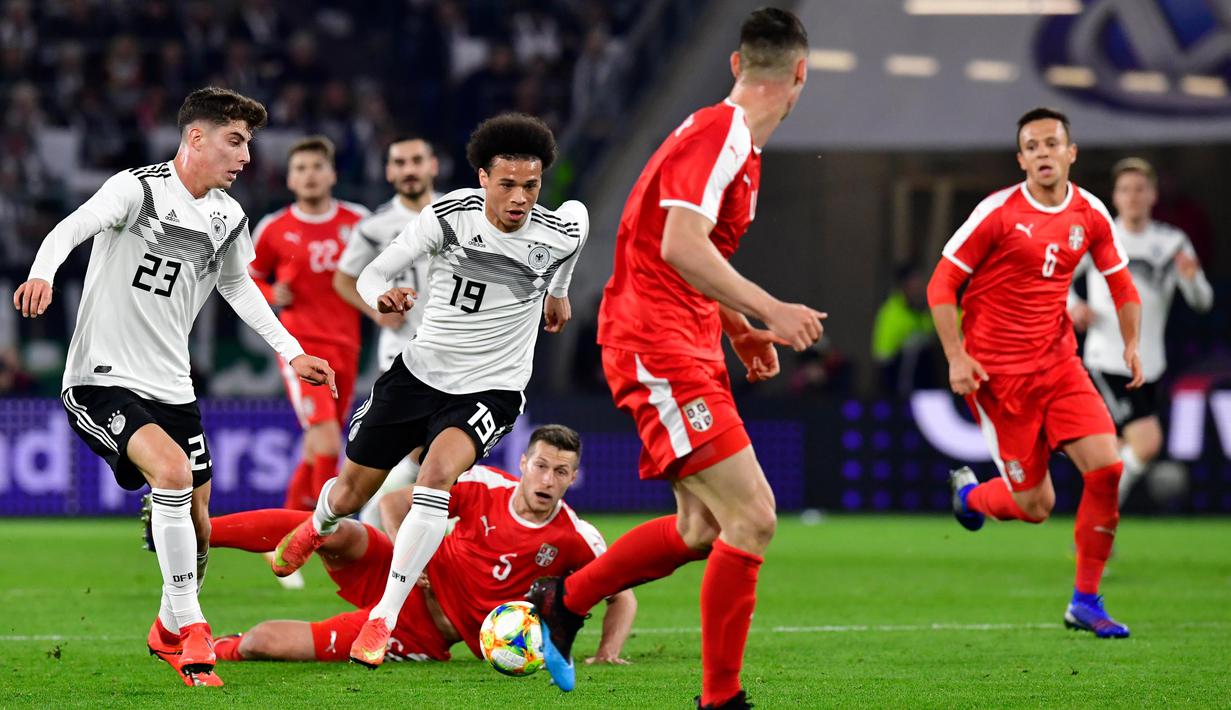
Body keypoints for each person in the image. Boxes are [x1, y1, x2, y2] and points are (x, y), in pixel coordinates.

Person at [526, 9, 818, 708]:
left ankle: (565, 602)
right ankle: (720, 700)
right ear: (800, 73)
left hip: (680, 338)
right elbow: (680, 246)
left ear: (735, 63)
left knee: (701, 529)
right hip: (656, 345)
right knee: (754, 518)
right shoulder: (723, 134)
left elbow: (681, 253)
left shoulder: (729, 144)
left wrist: (738, 330)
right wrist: (767, 311)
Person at [10, 87, 337, 687]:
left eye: (248, 144)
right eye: (235, 141)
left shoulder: (227, 216)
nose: (245, 157)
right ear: (196, 137)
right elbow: (72, 227)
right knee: (172, 476)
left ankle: (165, 626)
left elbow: (239, 287)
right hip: (102, 378)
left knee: (201, 524)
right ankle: (192, 629)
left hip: (173, 386)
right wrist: (41, 272)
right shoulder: (136, 189)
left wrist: (292, 352)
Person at [270, 112, 589, 670]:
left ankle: (384, 617)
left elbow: (575, 232)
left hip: (491, 388)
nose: (520, 198)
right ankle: (317, 524)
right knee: (348, 494)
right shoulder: (446, 218)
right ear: (482, 178)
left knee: (435, 478)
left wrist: (558, 292)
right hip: (417, 374)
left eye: (531, 186)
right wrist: (382, 299)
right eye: (508, 184)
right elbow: (372, 273)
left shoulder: (558, 230)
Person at [926, 107, 1142, 639]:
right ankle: (970, 497)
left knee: (1108, 469)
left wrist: (1132, 343)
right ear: (1021, 159)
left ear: (1071, 153)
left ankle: (1086, 600)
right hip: (999, 379)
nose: (1044, 153)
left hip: (1059, 364)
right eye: (1033, 146)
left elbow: (1121, 285)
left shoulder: (1090, 213)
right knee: (1035, 504)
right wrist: (957, 356)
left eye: (1053, 143)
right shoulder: (997, 213)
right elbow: (940, 286)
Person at [200, 425, 636, 666]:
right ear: (523, 464)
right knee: (335, 529)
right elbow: (393, 502)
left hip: (418, 633)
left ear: (573, 478)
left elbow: (623, 595)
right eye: (541, 466)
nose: (547, 479)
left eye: (561, 472)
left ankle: (222, 647)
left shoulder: (576, 537)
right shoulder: (484, 484)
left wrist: (607, 653)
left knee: (263, 642)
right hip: (403, 573)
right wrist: (405, 558)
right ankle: (202, 530)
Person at [1068, 158, 1214, 503]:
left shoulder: (1172, 242)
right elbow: (1059, 282)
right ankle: (1096, 516)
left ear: (1153, 195)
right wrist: (1074, 306)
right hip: (1107, 360)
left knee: (1114, 457)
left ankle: (1096, 533)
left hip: (1151, 365)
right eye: (1125, 190)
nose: (1132, 196)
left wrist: (1192, 281)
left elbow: (1202, 302)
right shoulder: (1098, 236)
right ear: (1115, 197)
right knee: (1147, 443)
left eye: (1139, 189)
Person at [250, 136, 370, 513]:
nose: (310, 175)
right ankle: (330, 532)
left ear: (332, 174)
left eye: (318, 166)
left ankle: (286, 535)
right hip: (299, 346)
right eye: (301, 169)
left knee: (316, 442)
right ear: (289, 180)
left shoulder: (360, 222)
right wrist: (272, 294)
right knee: (330, 440)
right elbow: (247, 278)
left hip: (347, 345)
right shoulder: (274, 227)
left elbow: (384, 267)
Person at [333, 135, 441, 528]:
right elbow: (345, 280)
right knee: (420, 451)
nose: (409, 169)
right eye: (400, 162)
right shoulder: (376, 226)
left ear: (433, 165)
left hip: (453, 351)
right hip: (402, 353)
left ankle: (368, 521)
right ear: (389, 171)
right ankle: (367, 520)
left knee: (431, 455)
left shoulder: (457, 212)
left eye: (416, 160)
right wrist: (376, 311)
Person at [871, 266, 937, 397]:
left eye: (921, 283)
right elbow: (882, 354)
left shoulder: (926, 310)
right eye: (914, 284)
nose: (919, 289)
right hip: (896, 374)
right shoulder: (891, 313)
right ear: (904, 286)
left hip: (925, 373)